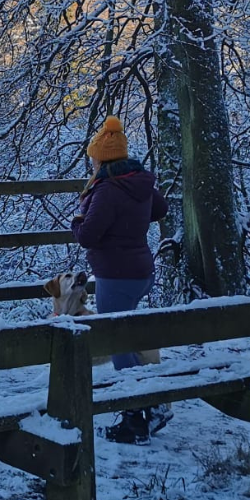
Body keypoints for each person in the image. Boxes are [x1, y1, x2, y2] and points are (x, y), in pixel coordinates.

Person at [70, 115, 170, 445]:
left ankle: (138, 416)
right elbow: (160, 209)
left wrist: (77, 221)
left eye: (93, 158)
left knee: (116, 344)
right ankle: (151, 406)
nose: (92, 163)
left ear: (102, 158)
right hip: (142, 272)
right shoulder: (139, 181)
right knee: (129, 339)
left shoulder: (107, 191)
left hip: (117, 276)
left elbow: (88, 236)